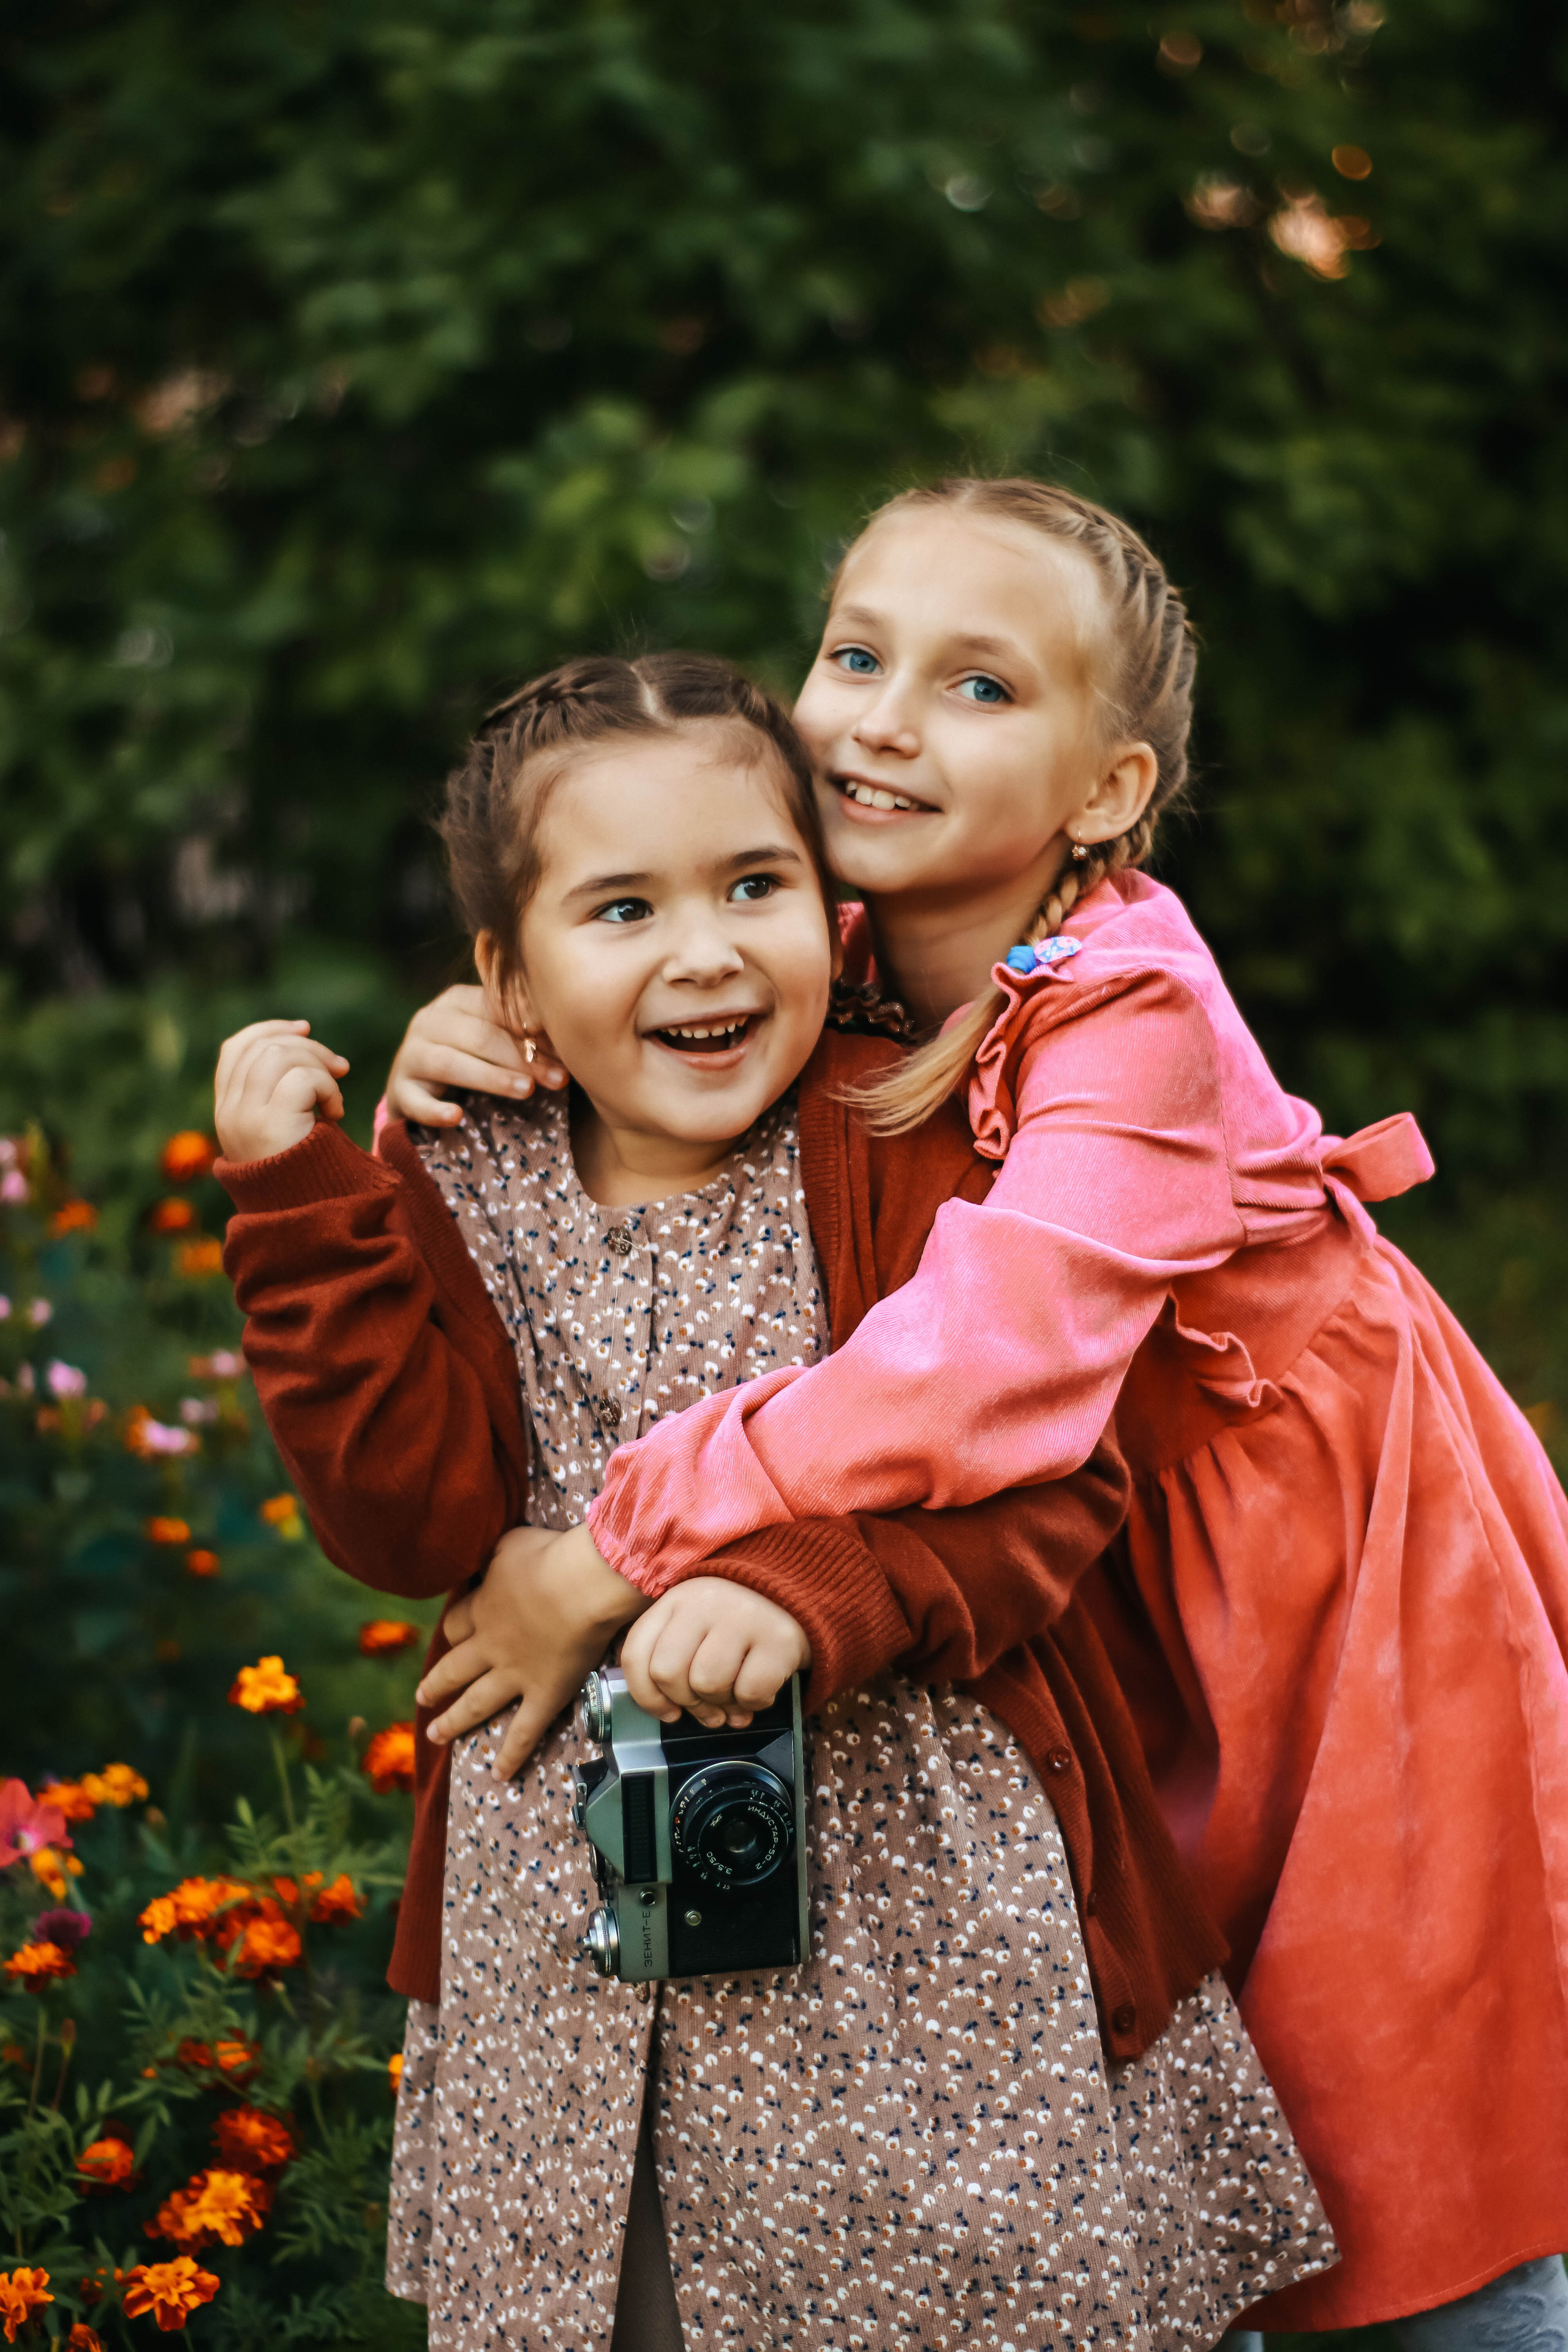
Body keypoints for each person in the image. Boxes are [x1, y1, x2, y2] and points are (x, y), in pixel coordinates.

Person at [389, 484, 1568, 2345]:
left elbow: (984, 1367)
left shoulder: (1135, 1017)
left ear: (1103, 791)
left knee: (1386, 2070)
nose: (877, 714)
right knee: (1169, 2058)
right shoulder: (832, 958)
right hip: (1091, 1582)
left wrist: (619, 1542)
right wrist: (470, 1060)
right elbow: (641, 1043)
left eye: (977, 686)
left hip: (1324, 1585)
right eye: (856, 652)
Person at [213, 650, 1334, 2352]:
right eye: (621, 911)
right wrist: (299, 1209)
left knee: (964, 2301)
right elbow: (407, 1524)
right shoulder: (459, 1168)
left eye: (757, 885)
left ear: (836, 911)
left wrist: (821, 1593)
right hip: (578, 1953)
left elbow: (1054, 1481)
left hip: (925, 1943)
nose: (707, 950)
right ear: (510, 983)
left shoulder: (906, 1133)